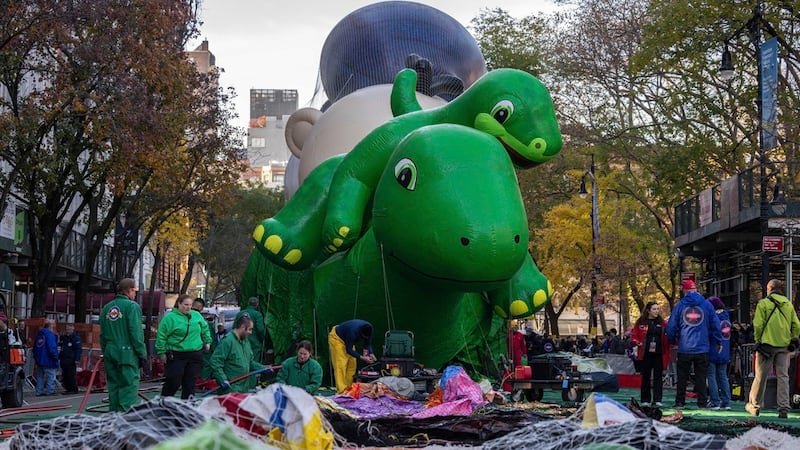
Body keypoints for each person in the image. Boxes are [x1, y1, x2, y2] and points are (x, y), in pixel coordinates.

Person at [747, 279, 800, 418]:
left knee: (761, 376)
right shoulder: (788, 304)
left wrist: (758, 339)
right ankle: (783, 408)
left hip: (766, 346)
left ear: (769, 289)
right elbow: (796, 325)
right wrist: (793, 338)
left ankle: (754, 406)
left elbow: (758, 324)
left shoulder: (763, 303)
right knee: (783, 376)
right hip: (784, 346)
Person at [666, 279, 722, 409]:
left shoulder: (679, 306)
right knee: (701, 377)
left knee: (682, 377)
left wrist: (672, 340)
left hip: (684, 347)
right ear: (695, 289)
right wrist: (718, 341)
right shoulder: (707, 305)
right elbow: (715, 324)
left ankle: (680, 402)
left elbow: (671, 326)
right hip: (702, 347)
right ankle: (702, 402)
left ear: (684, 291)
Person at [100, 278, 147, 412]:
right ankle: (125, 418)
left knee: (113, 387)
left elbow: (102, 334)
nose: (135, 294)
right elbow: (136, 333)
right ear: (129, 290)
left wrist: (106, 350)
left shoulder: (107, 308)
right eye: (134, 291)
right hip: (127, 353)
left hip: (110, 351)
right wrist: (142, 353)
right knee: (128, 388)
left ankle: (113, 418)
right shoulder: (132, 306)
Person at [156, 294, 212, 399]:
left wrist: (208, 341)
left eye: (190, 305)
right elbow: (161, 336)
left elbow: (205, 328)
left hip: (195, 354)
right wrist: (161, 352)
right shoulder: (170, 318)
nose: (188, 307)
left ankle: (187, 403)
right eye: (186, 305)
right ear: (179, 304)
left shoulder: (196, 315)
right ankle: (165, 401)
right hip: (177, 354)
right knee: (173, 380)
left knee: (190, 382)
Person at [209, 314, 269, 393]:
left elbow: (250, 362)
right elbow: (215, 362)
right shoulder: (227, 341)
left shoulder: (245, 341)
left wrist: (262, 368)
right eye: (250, 329)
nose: (251, 332)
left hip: (243, 389)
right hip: (230, 390)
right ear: (243, 327)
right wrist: (222, 379)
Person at [631, 301, 670, 407]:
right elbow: (634, 336)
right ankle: (645, 400)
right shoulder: (640, 322)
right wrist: (637, 342)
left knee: (658, 377)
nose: (656, 311)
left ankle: (657, 399)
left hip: (659, 353)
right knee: (645, 377)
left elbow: (667, 336)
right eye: (654, 309)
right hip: (645, 354)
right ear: (648, 310)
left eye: (657, 309)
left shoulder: (662, 322)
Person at [328, 319, 376, 393]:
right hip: (337, 338)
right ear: (360, 333)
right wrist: (363, 358)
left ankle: (349, 389)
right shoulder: (352, 332)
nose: (365, 338)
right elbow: (349, 350)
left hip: (348, 339)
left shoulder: (370, 329)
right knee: (341, 365)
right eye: (363, 337)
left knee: (352, 364)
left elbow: (367, 344)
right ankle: (342, 391)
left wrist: (371, 354)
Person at [706, 296, 732, 410]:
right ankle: (726, 401)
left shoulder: (712, 318)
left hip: (712, 349)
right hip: (724, 352)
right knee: (723, 376)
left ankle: (715, 401)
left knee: (711, 376)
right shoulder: (727, 318)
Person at [234, 297, 266, 363]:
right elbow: (260, 330)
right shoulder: (257, 315)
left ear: (248, 303)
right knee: (252, 363)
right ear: (257, 304)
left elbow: (234, 328)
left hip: (240, 343)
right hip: (254, 345)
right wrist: (263, 339)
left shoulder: (240, 314)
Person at [33, 320, 59, 396]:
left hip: (39, 359)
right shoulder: (50, 335)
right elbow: (52, 347)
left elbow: (35, 347)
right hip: (48, 359)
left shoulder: (39, 335)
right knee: (51, 375)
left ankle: (39, 391)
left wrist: (36, 357)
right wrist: (55, 357)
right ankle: (50, 390)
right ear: (51, 326)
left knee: (40, 376)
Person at [59, 323, 82, 395]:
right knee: (65, 375)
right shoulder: (64, 337)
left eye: (69, 329)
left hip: (71, 359)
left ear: (72, 329)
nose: (67, 330)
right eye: (67, 329)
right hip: (64, 359)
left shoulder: (75, 338)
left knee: (71, 375)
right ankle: (68, 389)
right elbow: (61, 347)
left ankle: (73, 389)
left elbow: (78, 349)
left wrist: (77, 359)